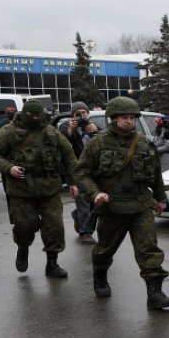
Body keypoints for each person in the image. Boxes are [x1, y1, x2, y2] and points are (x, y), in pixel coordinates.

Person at [73, 97, 169, 310]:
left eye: (132, 118)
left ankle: (154, 293)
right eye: (124, 117)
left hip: (141, 203)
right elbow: (81, 172)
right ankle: (100, 275)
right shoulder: (98, 142)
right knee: (105, 249)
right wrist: (95, 194)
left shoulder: (144, 142)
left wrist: (160, 198)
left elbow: (155, 173)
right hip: (112, 205)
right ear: (114, 118)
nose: (129, 121)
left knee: (149, 249)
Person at [0, 100, 77, 278]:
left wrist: (74, 182)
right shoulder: (9, 132)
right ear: (25, 114)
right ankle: (23, 247)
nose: (35, 119)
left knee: (55, 226)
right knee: (25, 226)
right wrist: (8, 167)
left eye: (38, 116)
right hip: (21, 189)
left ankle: (52, 263)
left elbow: (70, 158)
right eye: (32, 116)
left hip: (50, 188)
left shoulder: (52, 133)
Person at [60, 101, 101, 243]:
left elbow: (106, 141)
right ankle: (86, 232)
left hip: (94, 172)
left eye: (84, 112)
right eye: (78, 113)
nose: (82, 115)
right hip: (77, 171)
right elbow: (61, 143)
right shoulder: (67, 126)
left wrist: (96, 131)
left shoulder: (92, 126)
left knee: (94, 204)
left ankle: (79, 216)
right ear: (73, 115)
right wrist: (71, 130)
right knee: (83, 202)